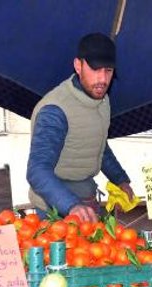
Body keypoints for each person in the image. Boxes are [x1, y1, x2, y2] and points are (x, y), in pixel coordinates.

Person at [26, 32, 134, 223]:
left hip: (86, 202)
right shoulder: (55, 110)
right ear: (78, 65)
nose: (102, 79)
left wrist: (120, 179)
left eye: (108, 70)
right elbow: (37, 171)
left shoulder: (103, 100)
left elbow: (97, 144)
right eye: (95, 69)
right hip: (54, 210)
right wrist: (71, 205)